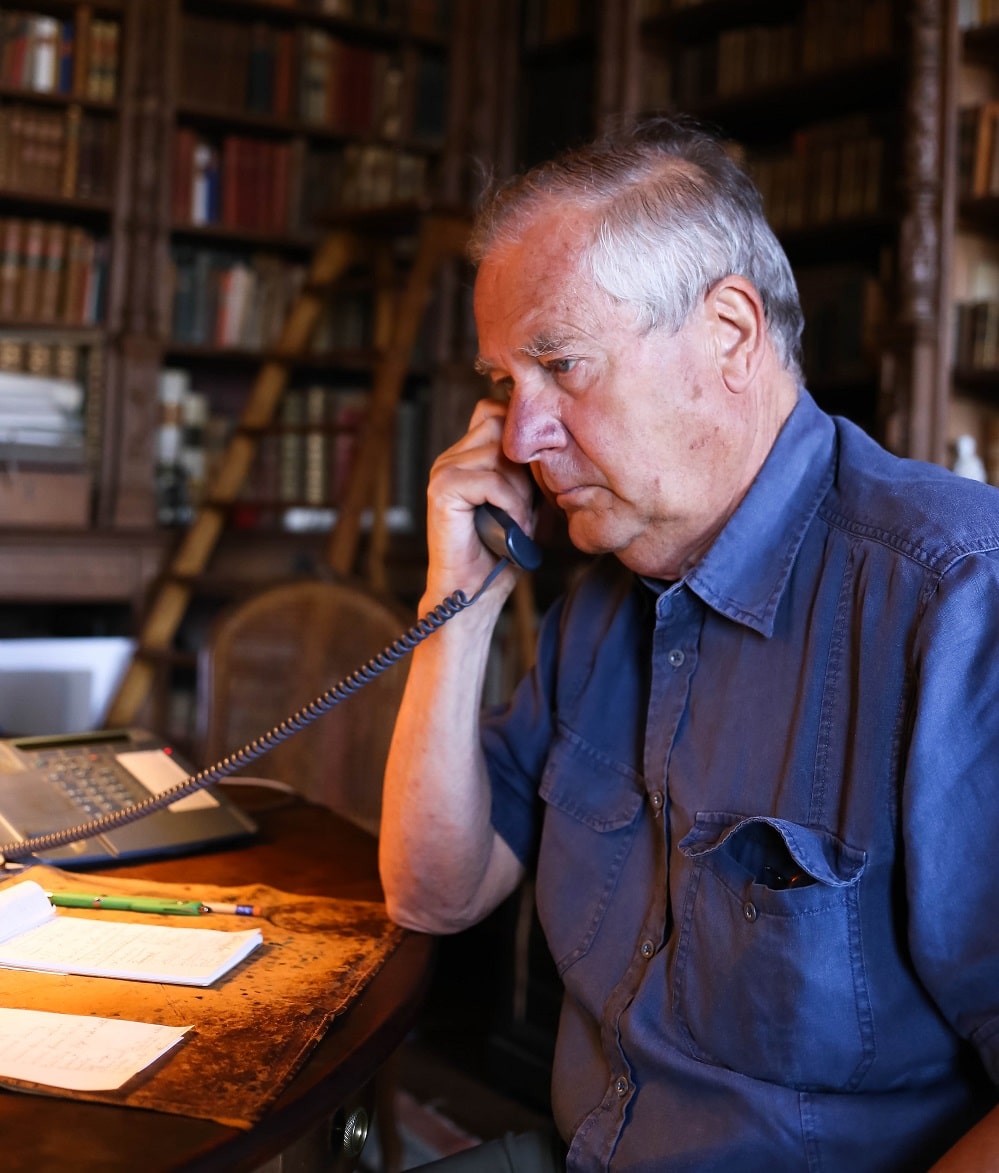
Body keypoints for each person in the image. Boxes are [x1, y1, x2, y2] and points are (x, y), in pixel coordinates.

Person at [379, 116, 999, 1171]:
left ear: (728, 331)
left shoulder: (954, 599)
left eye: (561, 365)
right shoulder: (603, 604)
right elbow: (435, 891)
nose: (522, 437)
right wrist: (460, 601)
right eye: (503, 385)